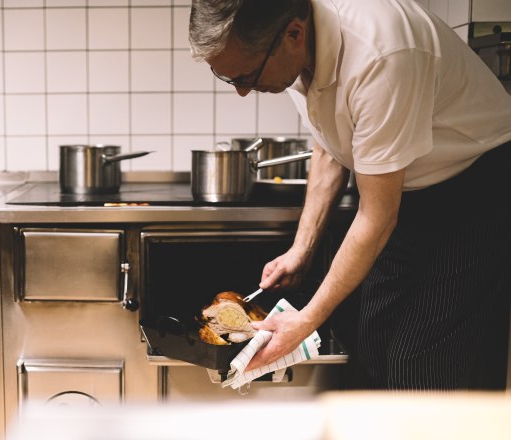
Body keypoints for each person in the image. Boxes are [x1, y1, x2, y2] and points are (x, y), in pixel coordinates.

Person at [189, 0, 511, 390]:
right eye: (228, 79)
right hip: (405, 189)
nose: (243, 91)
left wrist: (305, 320)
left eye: (247, 76)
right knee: (373, 339)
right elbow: (330, 146)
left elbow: (377, 217)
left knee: (419, 361)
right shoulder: (295, 48)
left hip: (475, 189)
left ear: (293, 34)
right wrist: (301, 249)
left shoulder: (380, 55)